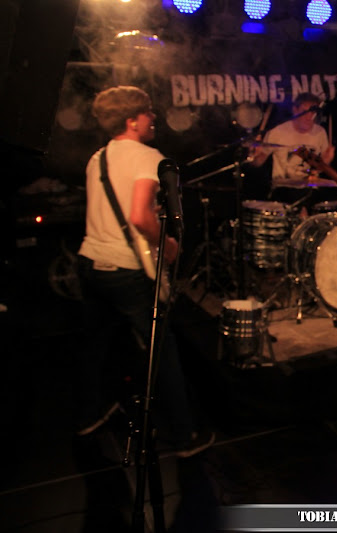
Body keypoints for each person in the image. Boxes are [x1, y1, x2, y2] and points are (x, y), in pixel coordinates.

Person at [76, 86, 214, 457]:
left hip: (90, 263)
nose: (154, 118)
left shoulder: (98, 158)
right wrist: (166, 243)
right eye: (148, 112)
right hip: (125, 269)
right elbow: (139, 216)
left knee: (95, 345)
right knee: (161, 350)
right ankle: (184, 436)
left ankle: (88, 417)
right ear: (132, 121)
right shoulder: (148, 157)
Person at [249, 92, 336, 207]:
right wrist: (253, 155)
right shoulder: (277, 132)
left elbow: (318, 169)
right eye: (305, 111)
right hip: (283, 191)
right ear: (295, 110)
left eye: (313, 112)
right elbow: (257, 163)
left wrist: (326, 162)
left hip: (310, 192)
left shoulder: (320, 133)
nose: (309, 117)